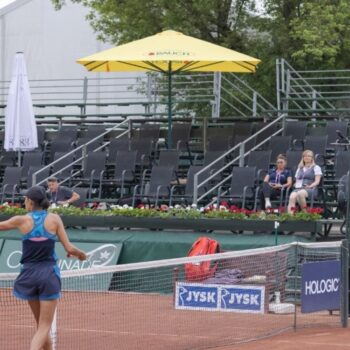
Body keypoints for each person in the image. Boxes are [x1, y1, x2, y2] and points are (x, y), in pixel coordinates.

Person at [0, 186, 86, 350]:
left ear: (30, 202)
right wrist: (82, 255)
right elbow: (69, 249)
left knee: (41, 326)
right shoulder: (54, 219)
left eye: (25, 199)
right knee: (44, 326)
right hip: (48, 275)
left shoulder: (21, 220)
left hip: (29, 275)